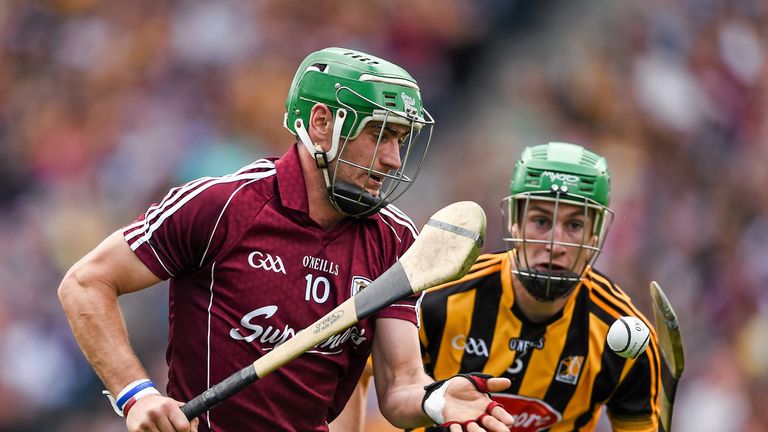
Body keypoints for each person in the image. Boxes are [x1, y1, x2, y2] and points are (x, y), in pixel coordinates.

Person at [57, 47, 515, 432]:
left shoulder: (394, 240)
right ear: (321, 123)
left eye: (401, 139)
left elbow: (400, 388)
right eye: (380, 134)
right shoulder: (224, 205)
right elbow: (85, 283)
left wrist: (435, 400)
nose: (394, 159)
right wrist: (136, 395)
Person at [341, 142, 662, 432]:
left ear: (595, 236)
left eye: (574, 225)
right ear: (515, 224)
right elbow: (357, 371)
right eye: (541, 221)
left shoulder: (623, 337)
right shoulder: (440, 295)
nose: (554, 244)